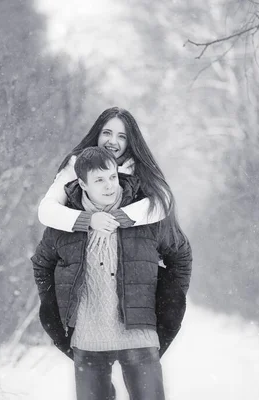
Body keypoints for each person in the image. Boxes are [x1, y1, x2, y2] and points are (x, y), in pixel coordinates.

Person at [32, 147, 192, 400]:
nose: (109, 186)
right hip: (87, 338)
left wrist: (171, 299)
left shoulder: (144, 215)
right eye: (99, 180)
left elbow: (180, 255)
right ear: (83, 184)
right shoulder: (65, 223)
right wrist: (55, 304)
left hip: (140, 335)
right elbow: (42, 264)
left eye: (112, 177)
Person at [37, 107, 181, 248]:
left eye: (122, 137)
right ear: (97, 134)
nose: (112, 141)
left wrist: (115, 219)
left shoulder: (139, 168)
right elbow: (46, 210)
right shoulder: (76, 165)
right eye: (107, 133)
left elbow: (163, 202)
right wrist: (89, 220)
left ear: (130, 141)